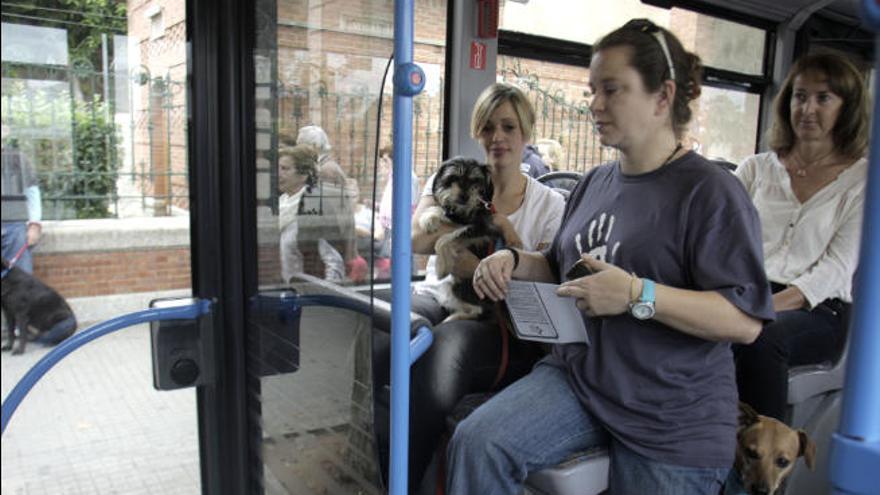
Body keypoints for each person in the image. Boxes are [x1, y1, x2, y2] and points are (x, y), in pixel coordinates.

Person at [446, 20, 775, 494]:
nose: (594, 104)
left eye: (612, 90)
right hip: (581, 381)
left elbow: (743, 321)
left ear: (662, 97)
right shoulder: (594, 183)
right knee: (476, 443)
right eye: (592, 90)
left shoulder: (709, 192)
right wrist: (515, 261)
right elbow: (562, 268)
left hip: (670, 414)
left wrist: (635, 294)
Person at [374, 82, 567, 491]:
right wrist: (476, 230)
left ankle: (408, 483)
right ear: (478, 132)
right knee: (381, 329)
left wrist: (473, 263)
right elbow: (412, 239)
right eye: (488, 127)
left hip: (503, 321)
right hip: (439, 295)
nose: (498, 137)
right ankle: (382, 474)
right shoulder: (453, 174)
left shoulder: (550, 205)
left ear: (526, 133)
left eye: (509, 127)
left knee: (445, 346)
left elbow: (547, 276)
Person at [733, 53, 869, 422]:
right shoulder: (755, 169)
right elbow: (719, 239)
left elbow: (835, 270)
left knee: (761, 337)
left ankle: (761, 455)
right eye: (799, 96)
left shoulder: (863, 181)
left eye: (823, 98)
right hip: (746, 291)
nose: (807, 109)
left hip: (817, 309)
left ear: (847, 108)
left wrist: (757, 309)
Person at [277, 143, 361, 284]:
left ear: (303, 175)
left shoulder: (313, 205)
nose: (279, 173)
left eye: (285, 169)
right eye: (277, 168)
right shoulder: (282, 201)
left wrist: (322, 297)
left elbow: (334, 262)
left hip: (307, 293)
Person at [1, 123, 42, 275]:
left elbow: (32, 191)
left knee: (19, 280)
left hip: (14, 228)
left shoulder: (17, 158)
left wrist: (34, 224)